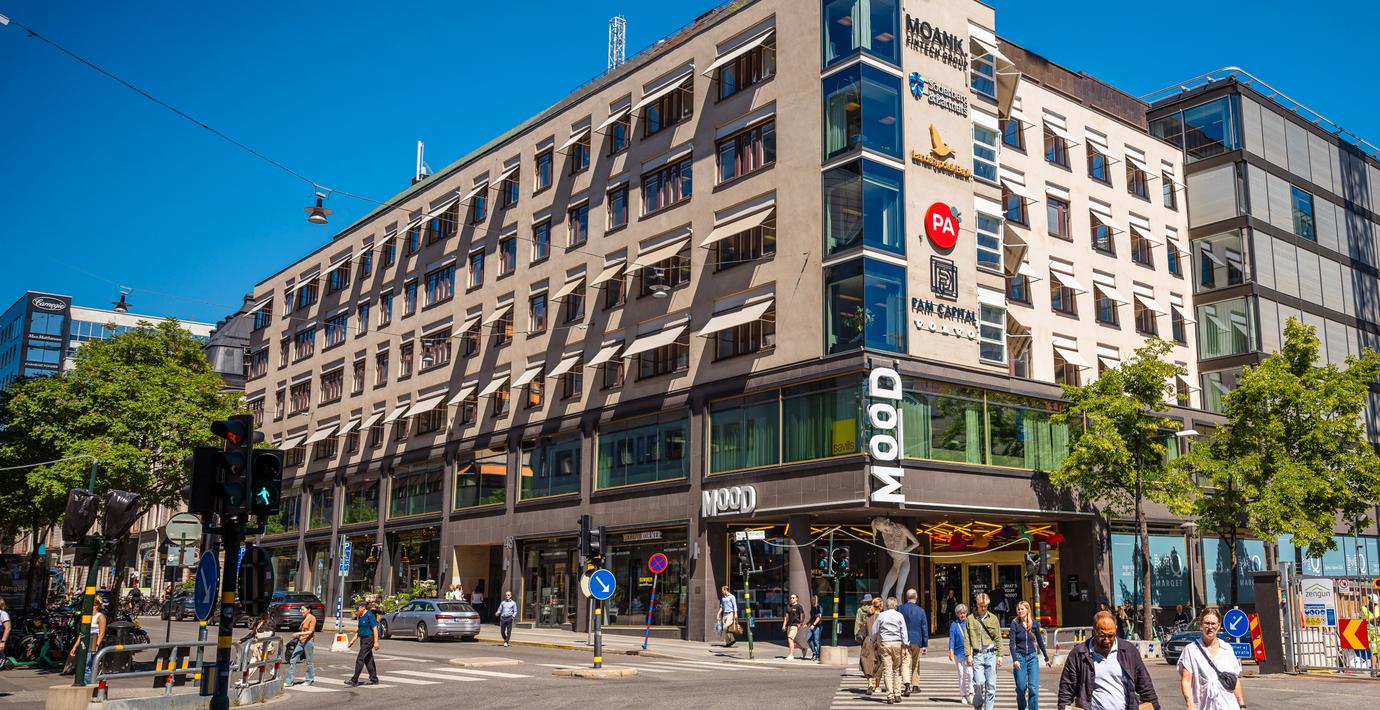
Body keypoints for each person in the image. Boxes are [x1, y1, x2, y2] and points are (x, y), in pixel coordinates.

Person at [1057, 610, 1160, 710]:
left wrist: (1155, 707)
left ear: (1116, 629)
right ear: (1094, 631)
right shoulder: (1079, 654)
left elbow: (1146, 687)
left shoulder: (1129, 651)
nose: (1106, 640)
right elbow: (1065, 693)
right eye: (1102, 636)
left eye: (1110, 636)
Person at [1178, 607, 1245, 710]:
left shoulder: (1227, 649)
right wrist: (1190, 704)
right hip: (1203, 705)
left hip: (1228, 705)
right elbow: (1186, 681)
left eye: (1213, 624)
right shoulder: (1191, 650)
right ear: (1201, 625)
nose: (1210, 627)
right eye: (1207, 623)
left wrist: (1242, 705)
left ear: (1218, 626)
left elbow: (1234, 680)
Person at [964, 592, 1003, 710]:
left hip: (991, 654)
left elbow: (998, 638)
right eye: (981, 606)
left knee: (991, 686)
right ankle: (978, 705)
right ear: (977, 604)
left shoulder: (993, 618)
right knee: (979, 683)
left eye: (985, 606)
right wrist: (968, 655)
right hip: (978, 655)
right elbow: (967, 638)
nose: (983, 608)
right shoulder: (970, 618)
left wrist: (1000, 655)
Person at [1009, 600, 1051, 710]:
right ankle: (1022, 708)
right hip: (1019, 658)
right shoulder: (1015, 623)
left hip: (1032, 657)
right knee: (1021, 687)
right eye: (1018, 609)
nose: (1020, 611)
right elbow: (1012, 643)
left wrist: (1046, 658)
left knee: (1033, 688)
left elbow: (1040, 642)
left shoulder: (1035, 623)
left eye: (1022, 609)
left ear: (1027, 610)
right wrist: (1014, 659)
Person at [870, 597, 909, 705]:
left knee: (887, 670)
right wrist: (905, 645)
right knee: (897, 669)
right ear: (895, 605)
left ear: (887, 605)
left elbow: (874, 630)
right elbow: (904, 631)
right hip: (897, 644)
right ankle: (897, 694)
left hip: (885, 643)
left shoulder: (881, 615)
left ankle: (890, 696)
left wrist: (872, 641)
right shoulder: (899, 615)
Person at [898, 588, 930, 697]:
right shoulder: (921, 611)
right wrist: (925, 644)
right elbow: (924, 628)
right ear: (916, 597)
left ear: (906, 597)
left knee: (905, 662)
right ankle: (915, 685)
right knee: (916, 663)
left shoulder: (900, 609)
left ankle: (907, 685)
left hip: (904, 640)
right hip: (917, 640)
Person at [72, 598, 107, 683]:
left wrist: (96, 645)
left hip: (94, 639)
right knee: (85, 664)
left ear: (96, 606)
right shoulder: (86, 616)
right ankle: (89, 682)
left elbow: (102, 633)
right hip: (85, 640)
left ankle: (87, 684)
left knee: (86, 664)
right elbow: (82, 632)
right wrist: (75, 646)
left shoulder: (100, 617)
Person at [345, 602, 379, 686]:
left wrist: (376, 642)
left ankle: (354, 680)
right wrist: (352, 641)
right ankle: (374, 679)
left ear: (363, 607)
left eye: (358, 608)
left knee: (360, 659)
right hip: (363, 639)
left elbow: (375, 629)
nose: (357, 610)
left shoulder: (369, 615)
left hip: (369, 639)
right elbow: (359, 631)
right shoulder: (360, 617)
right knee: (368, 659)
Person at [284, 604, 316, 686]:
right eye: (301, 609)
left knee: (309, 662)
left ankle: (309, 680)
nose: (301, 611)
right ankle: (289, 681)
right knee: (293, 659)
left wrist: (298, 633)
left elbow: (310, 632)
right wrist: (299, 635)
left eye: (303, 609)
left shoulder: (312, 618)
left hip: (308, 642)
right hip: (301, 641)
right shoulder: (305, 618)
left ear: (308, 610)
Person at [949, 603, 973, 705]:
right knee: (961, 674)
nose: (962, 615)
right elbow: (952, 639)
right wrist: (951, 650)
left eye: (964, 613)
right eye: (960, 613)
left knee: (970, 673)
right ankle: (963, 695)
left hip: (969, 653)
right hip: (958, 653)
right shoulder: (954, 624)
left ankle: (971, 693)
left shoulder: (970, 623)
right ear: (957, 614)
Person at [859, 597, 883, 696]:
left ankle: (870, 683)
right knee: (879, 662)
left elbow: (862, 630)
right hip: (879, 640)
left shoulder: (868, 616)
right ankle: (877, 686)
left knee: (868, 662)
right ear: (880, 606)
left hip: (868, 641)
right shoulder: (882, 616)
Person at [781, 593, 805, 660]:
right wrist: (784, 625)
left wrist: (800, 623)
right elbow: (786, 617)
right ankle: (803, 649)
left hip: (795, 625)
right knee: (791, 641)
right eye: (791, 598)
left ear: (797, 599)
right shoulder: (788, 606)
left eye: (793, 598)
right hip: (789, 625)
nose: (791, 599)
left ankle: (791, 655)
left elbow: (803, 615)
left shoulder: (799, 606)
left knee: (790, 639)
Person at [807, 595, 823, 662]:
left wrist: (814, 624)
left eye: (812, 600)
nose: (811, 601)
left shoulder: (819, 607)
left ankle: (818, 655)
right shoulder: (812, 608)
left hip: (817, 626)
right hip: (811, 625)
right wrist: (807, 623)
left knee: (816, 641)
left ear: (815, 600)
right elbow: (812, 617)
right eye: (811, 600)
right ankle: (814, 653)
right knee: (808, 639)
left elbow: (819, 617)